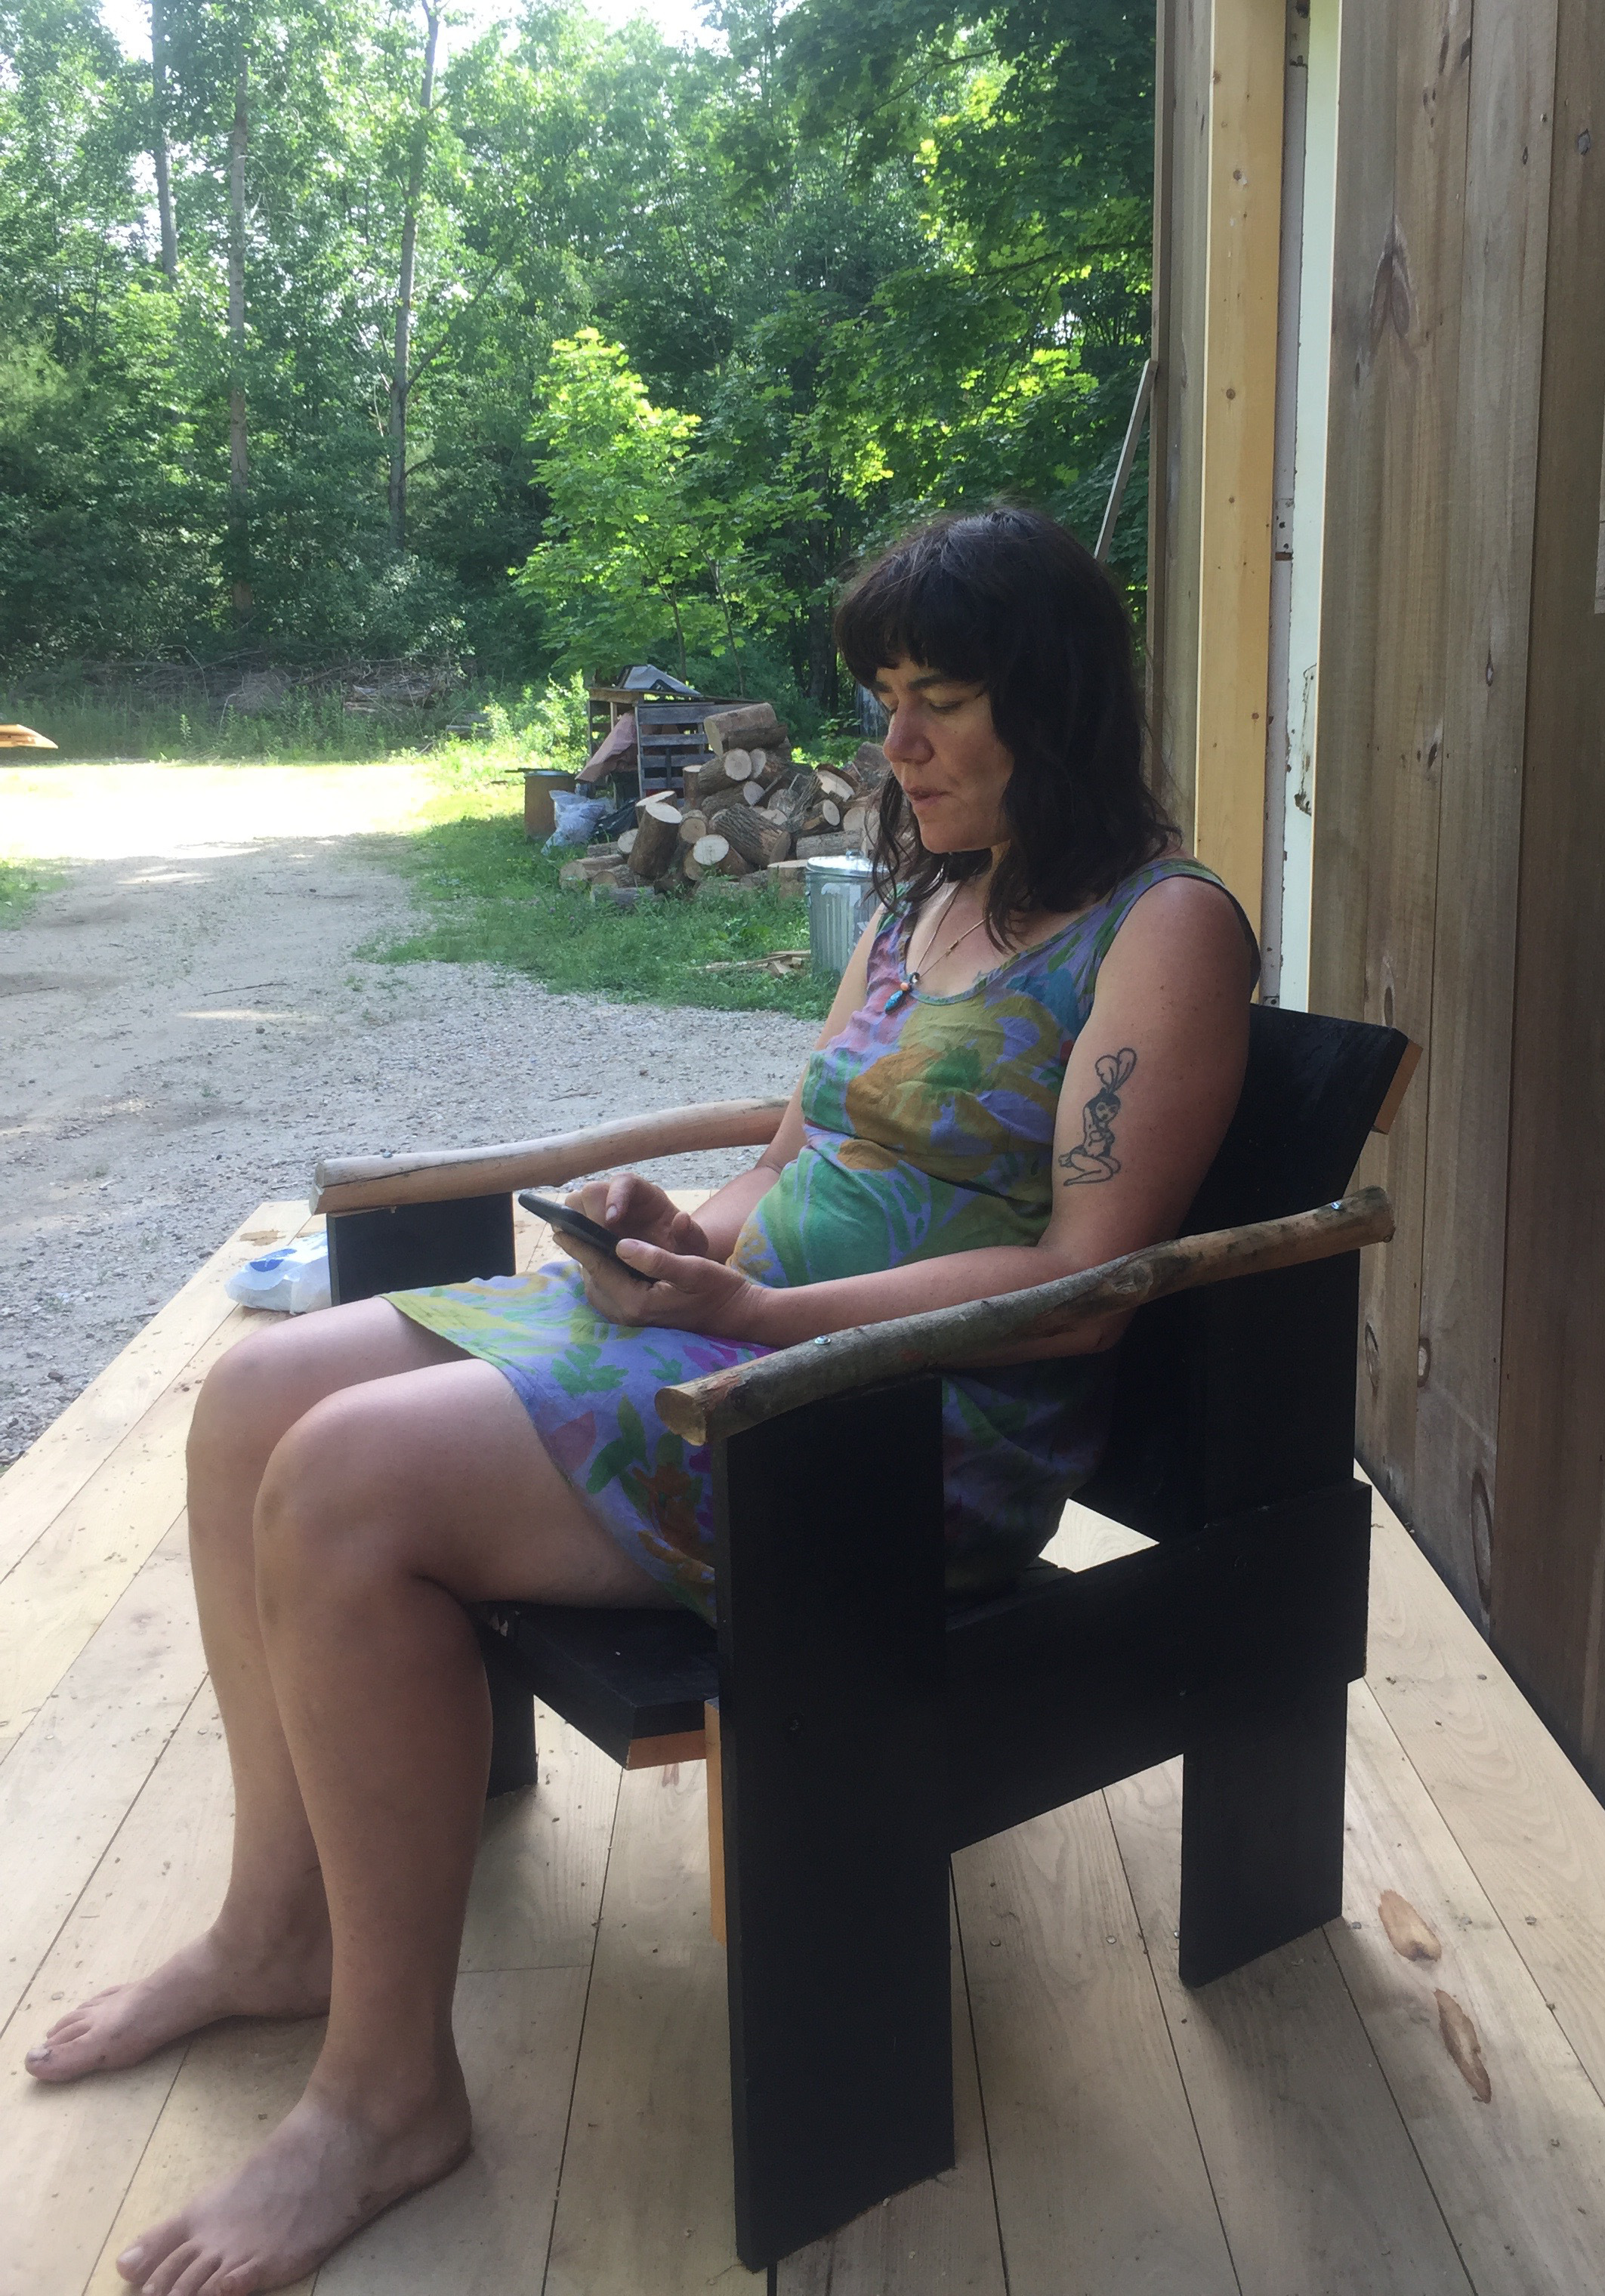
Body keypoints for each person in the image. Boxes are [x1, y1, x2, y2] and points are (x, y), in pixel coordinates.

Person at [24, 507, 1257, 2296]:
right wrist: (679, 1233)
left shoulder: (1164, 929)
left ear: (1055, 703)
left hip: (901, 1438)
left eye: (941, 701)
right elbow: (791, 1162)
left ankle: (384, 2098)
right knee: (256, 1394)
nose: (896, 745)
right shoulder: (931, 898)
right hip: (751, 1348)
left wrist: (759, 1310)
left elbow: (1081, 1288)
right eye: (885, 700)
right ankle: (275, 1928)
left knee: (346, 1480)